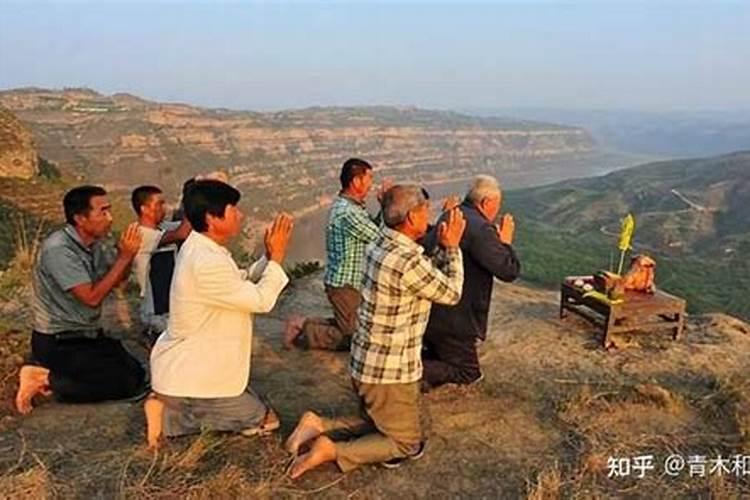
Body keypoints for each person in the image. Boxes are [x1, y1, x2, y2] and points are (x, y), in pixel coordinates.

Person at [285, 184, 466, 478]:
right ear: (409, 218)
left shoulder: (381, 241)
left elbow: (420, 266)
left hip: (364, 363)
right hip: (390, 373)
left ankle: (317, 424)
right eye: (423, 211)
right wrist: (452, 247)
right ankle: (331, 449)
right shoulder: (407, 262)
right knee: (406, 443)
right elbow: (451, 292)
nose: (428, 216)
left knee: (378, 423)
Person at [144, 180, 293, 448]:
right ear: (212, 218)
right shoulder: (206, 261)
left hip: (195, 364)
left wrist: (268, 257)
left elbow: (239, 280)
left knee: (244, 394)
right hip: (190, 373)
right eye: (233, 209)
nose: (240, 215)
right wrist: (278, 258)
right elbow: (261, 300)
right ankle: (168, 416)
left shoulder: (202, 247)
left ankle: (173, 405)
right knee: (264, 419)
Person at [15, 186, 147, 414]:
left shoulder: (96, 244)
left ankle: (58, 378)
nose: (110, 218)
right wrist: (124, 257)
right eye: (102, 212)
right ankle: (41, 377)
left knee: (136, 374)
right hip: (59, 340)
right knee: (120, 385)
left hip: (87, 335)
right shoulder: (59, 250)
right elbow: (91, 298)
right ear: (80, 218)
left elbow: (117, 282)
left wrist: (127, 256)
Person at [421, 175, 520, 390]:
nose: (497, 211)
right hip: (457, 318)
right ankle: (410, 372)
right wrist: (505, 243)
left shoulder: (451, 214)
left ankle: (423, 359)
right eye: (497, 205)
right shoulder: (482, 230)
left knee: (442, 353)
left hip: (435, 310)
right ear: (486, 203)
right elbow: (508, 270)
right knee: (468, 372)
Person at [284, 158, 389, 351]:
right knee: (357, 338)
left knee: (355, 325)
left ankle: (304, 322)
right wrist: (391, 209)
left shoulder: (353, 208)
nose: (371, 184)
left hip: (350, 283)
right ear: (356, 181)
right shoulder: (347, 212)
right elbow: (380, 238)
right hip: (345, 286)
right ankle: (303, 332)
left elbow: (371, 229)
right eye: (369, 178)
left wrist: (382, 208)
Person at [131, 185, 191, 340]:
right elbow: (183, 232)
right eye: (159, 204)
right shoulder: (140, 235)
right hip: (156, 315)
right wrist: (193, 198)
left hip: (169, 310)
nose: (163, 208)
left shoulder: (161, 228)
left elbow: (189, 228)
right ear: (144, 209)